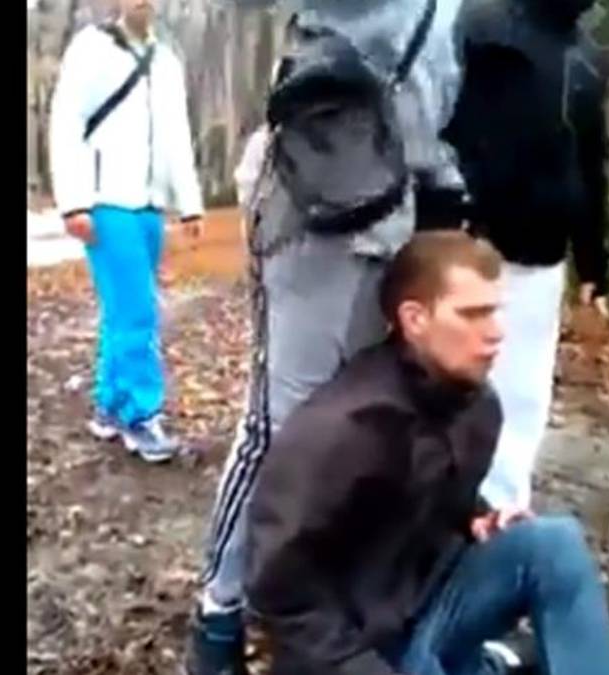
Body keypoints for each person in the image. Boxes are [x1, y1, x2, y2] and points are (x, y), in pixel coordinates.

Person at [187, 2, 470, 672]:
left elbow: (440, 102)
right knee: (281, 423)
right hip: (308, 204)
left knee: (367, 419)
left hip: (397, 215)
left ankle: (317, 601)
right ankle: (219, 612)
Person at [244, 231, 609, 675]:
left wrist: (478, 519)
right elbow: (277, 588)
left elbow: (434, 495)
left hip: (431, 604)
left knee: (552, 544)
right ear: (415, 319)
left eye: (495, 311)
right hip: (359, 648)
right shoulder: (345, 429)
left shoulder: (476, 404)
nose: (496, 333)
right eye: (472, 314)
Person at [441, 0, 609, 510]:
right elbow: (442, 124)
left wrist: (593, 264)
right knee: (451, 383)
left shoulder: (585, 57)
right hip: (471, 246)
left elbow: (590, 163)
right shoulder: (481, 27)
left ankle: (504, 506)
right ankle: (440, 509)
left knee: (524, 394)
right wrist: (455, 217)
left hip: (543, 257)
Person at [49, 0, 204, 462]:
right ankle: (141, 415)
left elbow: (177, 136)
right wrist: (73, 202)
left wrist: (190, 203)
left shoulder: (166, 60)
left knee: (123, 311)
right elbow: (66, 124)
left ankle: (111, 406)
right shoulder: (91, 48)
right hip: (106, 203)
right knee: (138, 312)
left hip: (149, 205)